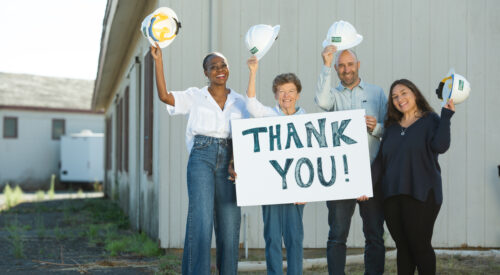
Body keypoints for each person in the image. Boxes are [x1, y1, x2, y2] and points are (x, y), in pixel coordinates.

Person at [151, 42, 248, 275]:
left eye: (223, 65)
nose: (219, 69)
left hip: (229, 161)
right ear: (206, 73)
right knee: (201, 221)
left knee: (229, 223)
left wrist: (236, 159)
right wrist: (158, 60)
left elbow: (244, 135)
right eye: (213, 67)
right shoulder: (195, 96)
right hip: (201, 157)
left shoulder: (240, 102)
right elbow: (164, 96)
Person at [315, 45, 387, 275]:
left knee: (374, 234)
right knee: (337, 235)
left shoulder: (377, 93)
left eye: (350, 64)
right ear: (337, 69)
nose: (346, 69)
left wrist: (376, 127)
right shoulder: (333, 95)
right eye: (341, 65)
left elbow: (391, 130)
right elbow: (322, 102)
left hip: (372, 175)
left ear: (358, 65)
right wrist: (326, 65)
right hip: (341, 176)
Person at [371, 79, 455, 274]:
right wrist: (363, 185)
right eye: (395, 97)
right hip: (392, 196)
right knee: (404, 249)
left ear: (415, 93)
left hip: (422, 193)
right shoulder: (391, 127)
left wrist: (446, 116)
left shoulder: (431, 120)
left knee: (420, 246)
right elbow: (381, 163)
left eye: (404, 93)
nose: (400, 99)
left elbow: (440, 146)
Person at [233, 56, 306, 275]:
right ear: (275, 95)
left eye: (291, 91)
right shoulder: (268, 115)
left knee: (294, 237)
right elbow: (251, 105)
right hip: (271, 186)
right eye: (281, 91)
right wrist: (253, 72)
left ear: (297, 94)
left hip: (296, 187)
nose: (286, 96)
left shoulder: (305, 119)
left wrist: (306, 188)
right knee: (273, 237)